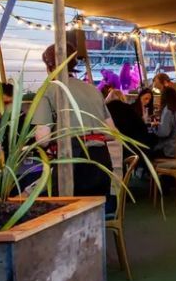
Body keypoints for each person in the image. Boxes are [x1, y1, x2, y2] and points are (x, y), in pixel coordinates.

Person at [32, 44, 117, 213]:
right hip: (101, 163)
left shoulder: (48, 90)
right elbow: (112, 134)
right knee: (92, 217)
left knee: (56, 213)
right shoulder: (93, 89)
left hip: (71, 163)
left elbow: (43, 139)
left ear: (49, 66)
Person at [105, 89, 155, 158]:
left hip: (114, 149)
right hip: (135, 148)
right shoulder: (129, 109)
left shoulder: (105, 110)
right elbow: (143, 128)